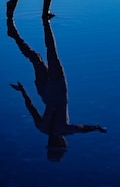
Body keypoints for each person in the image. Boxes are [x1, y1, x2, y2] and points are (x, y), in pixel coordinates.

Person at [7, 18, 107, 161]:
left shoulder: (64, 130)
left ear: (60, 143)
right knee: (36, 58)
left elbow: (82, 128)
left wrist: (96, 128)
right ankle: (14, 35)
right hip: (44, 92)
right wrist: (23, 91)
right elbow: (31, 108)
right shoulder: (42, 128)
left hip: (57, 90)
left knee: (51, 52)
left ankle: (46, 23)